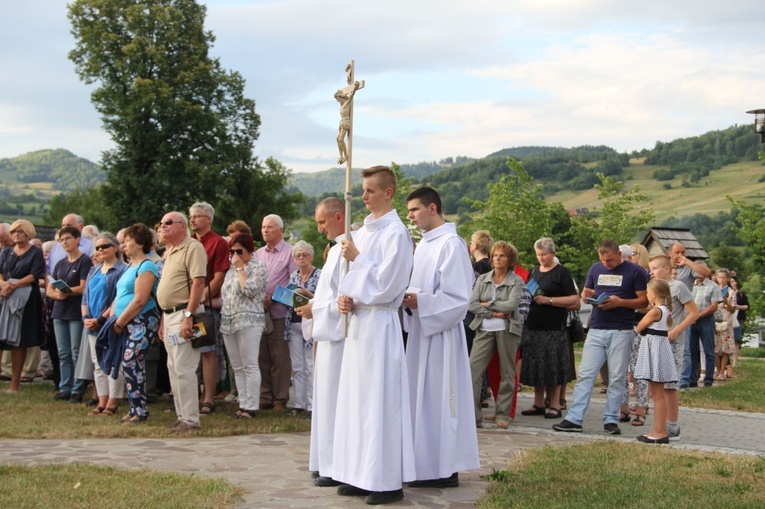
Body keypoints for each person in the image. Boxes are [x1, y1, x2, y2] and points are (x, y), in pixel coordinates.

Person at [333, 165, 414, 505]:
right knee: (357, 401)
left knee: (380, 401)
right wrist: (345, 297)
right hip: (359, 324)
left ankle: (385, 480)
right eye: (362, 190)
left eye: (369, 190)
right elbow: (354, 277)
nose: (363, 196)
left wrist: (359, 258)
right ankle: (358, 472)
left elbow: (388, 284)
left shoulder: (397, 233)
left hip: (380, 323)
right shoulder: (362, 232)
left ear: (387, 193)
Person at [401, 186, 479, 488]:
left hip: (442, 334)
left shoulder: (451, 244)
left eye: (414, 210)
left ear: (433, 208)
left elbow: (459, 297)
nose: (411, 217)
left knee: (440, 400)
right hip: (422, 330)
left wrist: (421, 301)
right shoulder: (423, 245)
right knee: (421, 400)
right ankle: (423, 464)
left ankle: (445, 468)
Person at [553, 239, 648, 435]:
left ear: (619, 255)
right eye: (603, 260)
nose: (607, 264)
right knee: (586, 374)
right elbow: (587, 291)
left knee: (616, 377)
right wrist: (588, 296)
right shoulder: (595, 269)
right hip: (597, 327)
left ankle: (611, 419)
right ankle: (574, 418)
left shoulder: (635, 271)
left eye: (610, 260)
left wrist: (620, 302)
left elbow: (643, 300)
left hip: (621, 329)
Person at [306, 197, 347, 487]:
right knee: (324, 397)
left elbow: (347, 298)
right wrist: (313, 303)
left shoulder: (349, 250)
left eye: (322, 222)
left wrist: (316, 308)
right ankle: (323, 460)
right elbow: (328, 294)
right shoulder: (334, 251)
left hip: (340, 335)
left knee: (335, 398)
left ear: (338, 216)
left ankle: (336, 463)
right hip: (327, 332)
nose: (320, 229)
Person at [156, 211, 207, 433]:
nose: (163, 226)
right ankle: (181, 415)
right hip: (169, 315)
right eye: (161, 223)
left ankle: (191, 419)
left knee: (184, 366)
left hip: (184, 313)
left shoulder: (192, 247)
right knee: (173, 367)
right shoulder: (169, 251)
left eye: (168, 223)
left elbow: (198, 283)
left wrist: (188, 315)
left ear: (182, 226)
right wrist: (162, 320)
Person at [468, 241, 526, 430]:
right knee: (472, 370)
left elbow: (511, 306)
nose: (497, 259)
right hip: (484, 329)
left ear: (510, 260)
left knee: (507, 373)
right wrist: (494, 312)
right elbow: (472, 304)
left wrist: (487, 304)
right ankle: (475, 416)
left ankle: (503, 414)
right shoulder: (483, 278)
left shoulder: (516, 280)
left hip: (508, 330)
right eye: (495, 255)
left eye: (502, 256)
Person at [519, 238, 579, 420]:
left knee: (552, 367)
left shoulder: (562, 273)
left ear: (552, 254)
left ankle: (554, 404)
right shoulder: (534, 271)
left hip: (553, 327)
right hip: (533, 325)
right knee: (537, 365)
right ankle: (538, 403)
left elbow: (574, 301)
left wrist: (550, 300)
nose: (541, 258)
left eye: (544, 254)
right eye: (538, 255)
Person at [111, 223, 160, 424]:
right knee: (130, 364)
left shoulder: (146, 266)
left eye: (128, 241)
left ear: (140, 243)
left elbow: (140, 299)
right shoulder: (130, 266)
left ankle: (140, 410)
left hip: (142, 321)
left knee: (132, 361)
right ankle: (135, 408)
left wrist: (120, 322)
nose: (124, 245)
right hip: (129, 323)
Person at [648, 254, 698, 441]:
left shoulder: (678, 287)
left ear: (666, 269)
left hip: (673, 342)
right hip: (657, 340)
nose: (651, 272)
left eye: (654, 268)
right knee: (657, 384)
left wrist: (676, 330)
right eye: (650, 268)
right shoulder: (655, 289)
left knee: (670, 385)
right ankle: (659, 425)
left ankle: (672, 425)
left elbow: (694, 313)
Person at [220, 233, 268, 419]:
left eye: (239, 251)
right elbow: (226, 294)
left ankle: (251, 406)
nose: (235, 255)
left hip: (249, 321)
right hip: (229, 321)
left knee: (250, 364)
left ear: (250, 250)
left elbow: (249, 290)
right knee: (237, 366)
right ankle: (243, 403)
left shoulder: (259, 267)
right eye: (232, 252)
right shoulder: (231, 269)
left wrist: (240, 269)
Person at [254, 214, 298, 411]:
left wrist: (272, 299)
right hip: (258, 312)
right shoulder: (257, 254)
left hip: (280, 312)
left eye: (270, 227)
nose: (265, 230)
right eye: (263, 227)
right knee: (262, 355)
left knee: (280, 357)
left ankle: (280, 398)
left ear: (281, 230)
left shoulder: (290, 253)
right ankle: (265, 397)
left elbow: (294, 282)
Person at [189, 202, 230, 415]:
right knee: (189, 353)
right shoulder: (188, 243)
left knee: (207, 352)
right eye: (191, 216)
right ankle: (191, 396)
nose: (192, 220)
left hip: (204, 307)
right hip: (186, 306)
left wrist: (200, 299)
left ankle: (208, 398)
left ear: (208, 219)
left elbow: (219, 278)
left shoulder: (218, 243)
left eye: (197, 216)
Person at [81, 233, 127, 416]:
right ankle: (101, 401)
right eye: (98, 247)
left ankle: (113, 402)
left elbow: (118, 298)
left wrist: (101, 319)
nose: (100, 250)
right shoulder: (93, 270)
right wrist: (86, 318)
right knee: (97, 363)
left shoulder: (122, 270)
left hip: (110, 323)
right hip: (91, 323)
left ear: (115, 247)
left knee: (114, 363)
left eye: (104, 246)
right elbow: (85, 297)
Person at [47, 225, 93, 403]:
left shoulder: (84, 261)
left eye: (67, 238)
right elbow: (50, 287)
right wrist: (57, 294)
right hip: (59, 311)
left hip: (75, 311)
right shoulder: (60, 263)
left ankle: (77, 388)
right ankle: (64, 387)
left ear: (77, 240)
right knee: (63, 352)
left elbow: (83, 287)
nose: (64, 242)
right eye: (61, 240)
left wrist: (67, 291)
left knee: (76, 351)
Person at [0, 220, 45, 393]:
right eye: (13, 232)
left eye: (19, 231)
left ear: (28, 233)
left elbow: (34, 275)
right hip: (5, 295)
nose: (16, 235)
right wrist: (3, 284)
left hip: (25, 299)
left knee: (19, 340)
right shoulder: (6, 252)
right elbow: (0, 271)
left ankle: (15, 383)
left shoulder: (35, 253)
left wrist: (13, 285)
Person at [633, 279, 677, 444]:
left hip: (654, 349)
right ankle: (657, 429)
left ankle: (660, 431)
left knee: (657, 394)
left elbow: (640, 327)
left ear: (654, 294)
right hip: (659, 348)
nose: (646, 295)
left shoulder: (655, 311)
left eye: (647, 292)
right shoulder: (665, 310)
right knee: (658, 394)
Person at [285, 240, 320, 417]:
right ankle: (298, 403)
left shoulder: (318, 274)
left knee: (310, 365)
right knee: (297, 366)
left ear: (311, 256)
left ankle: (313, 405)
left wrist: (307, 294)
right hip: (293, 321)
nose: (301, 258)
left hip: (311, 321)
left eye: (305, 254)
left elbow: (322, 299)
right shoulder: (293, 276)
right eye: (298, 255)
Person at [682, 268, 722, 389]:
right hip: (691, 320)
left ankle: (708, 379)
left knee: (708, 350)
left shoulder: (713, 286)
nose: (697, 274)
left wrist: (698, 315)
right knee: (692, 350)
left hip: (706, 320)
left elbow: (714, 306)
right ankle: (692, 378)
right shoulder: (689, 285)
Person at [713, 269, 737, 381]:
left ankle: (723, 371)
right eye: (719, 278)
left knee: (725, 348)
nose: (721, 280)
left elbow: (733, 309)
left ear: (727, 279)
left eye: (723, 278)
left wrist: (727, 303)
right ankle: (717, 370)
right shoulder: (714, 290)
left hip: (726, 319)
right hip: (715, 318)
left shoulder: (731, 292)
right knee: (715, 347)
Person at [730, 277, 749, 367]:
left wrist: (738, 306)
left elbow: (747, 306)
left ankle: (735, 360)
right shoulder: (727, 292)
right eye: (731, 281)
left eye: (734, 281)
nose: (734, 282)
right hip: (728, 317)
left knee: (736, 339)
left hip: (738, 318)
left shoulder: (740, 294)